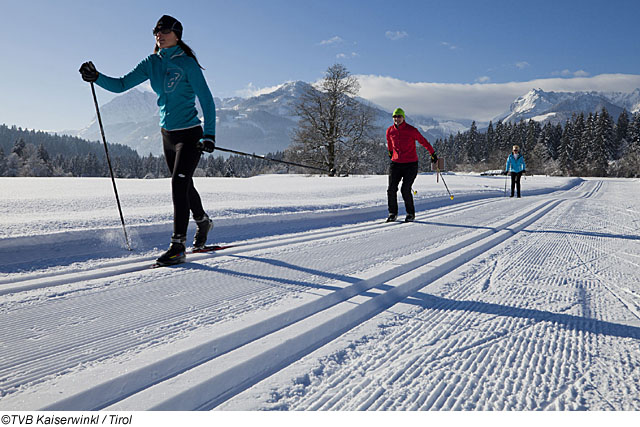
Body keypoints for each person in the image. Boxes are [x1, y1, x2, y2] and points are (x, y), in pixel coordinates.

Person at [79, 15, 216, 266]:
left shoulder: (187, 64)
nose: (158, 35)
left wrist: (209, 135)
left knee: (178, 183)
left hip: (190, 134)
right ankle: (202, 220)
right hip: (167, 135)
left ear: (177, 34)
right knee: (184, 184)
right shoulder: (151, 62)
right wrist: (96, 77)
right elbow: (121, 85)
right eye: (156, 31)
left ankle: (178, 245)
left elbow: (206, 100)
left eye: (163, 31)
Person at [386, 108, 438, 222]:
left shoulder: (411, 130)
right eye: (395, 116)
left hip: (410, 164)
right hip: (396, 163)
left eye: (399, 116)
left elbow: (423, 141)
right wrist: (390, 153)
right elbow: (389, 143)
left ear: (403, 117)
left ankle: (410, 214)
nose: (397, 119)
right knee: (391, 189)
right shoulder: (390, 130)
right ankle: (392, 213)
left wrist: (432, 153)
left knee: (405, 189)